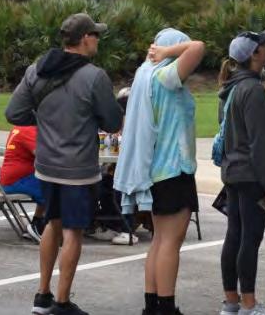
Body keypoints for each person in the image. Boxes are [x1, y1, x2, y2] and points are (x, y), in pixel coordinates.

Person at [6, 13, 124, 315]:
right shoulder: (94, 76)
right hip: (78, 169)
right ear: (85, 38)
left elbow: (14, 112)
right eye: (96, 35)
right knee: (73, 231)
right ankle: (62, 301)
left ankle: (42, 295)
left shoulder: (36, 70)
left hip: (46, 165)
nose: (98, 40)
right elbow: (113, 122)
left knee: (52, 224)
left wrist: (44, 121)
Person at [114, 28, 205, 315]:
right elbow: (198, 47)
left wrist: (164, 51)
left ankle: (152, 304)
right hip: (173, 170)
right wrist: (168, 52)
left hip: (155, 172)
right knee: (170, 243)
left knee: (159, 240)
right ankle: (166, 307)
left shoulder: (145, 76)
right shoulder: (166, 77)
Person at [216, 30, 265, 315]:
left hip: (232, 172)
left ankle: (231, 302)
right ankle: (249, 305)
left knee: (235, 235)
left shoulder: (231, 87)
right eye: (263, 45)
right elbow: (259, 143)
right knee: (249, 239)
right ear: (255, 54)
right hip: (251, 175)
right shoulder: (253, 90)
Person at [0, 125, 46, 241]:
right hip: (17, 180)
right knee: (54, 189)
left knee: (47, 184)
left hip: (10, 178)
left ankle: (36, 222)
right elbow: (43, 156)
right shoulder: (28, 130)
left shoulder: (19, 127)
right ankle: (41, 228)